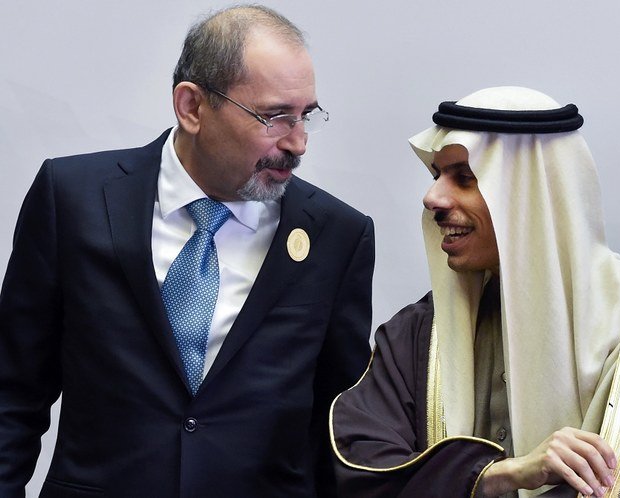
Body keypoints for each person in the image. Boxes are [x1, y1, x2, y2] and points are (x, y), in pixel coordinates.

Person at [0, 5, 374, 497]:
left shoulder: (337, 235)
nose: (299, 142)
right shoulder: (73, 198)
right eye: (275, 116)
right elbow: (12, 395)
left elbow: (337, 430)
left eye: (306, 115)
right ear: (192, 107)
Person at [330, 86, 620, 498]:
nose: (433, 197)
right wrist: (496, 476)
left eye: (466, 178)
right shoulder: (416, 337)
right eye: (438, 176)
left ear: (529, 194)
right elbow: (362, 475)